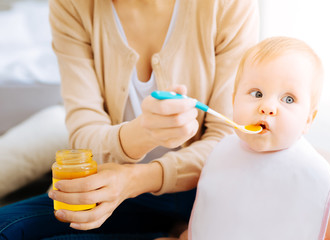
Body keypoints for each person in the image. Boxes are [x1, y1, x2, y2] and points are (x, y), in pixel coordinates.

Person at [0, 0, 259, 239]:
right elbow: (84, 133)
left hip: (199, 194)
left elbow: (227, 138)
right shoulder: (73, 6)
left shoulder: (227, 6)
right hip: (110, 190)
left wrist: (134, 179)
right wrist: (142, 134)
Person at [188, 37, 330, 239]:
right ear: (234, 101)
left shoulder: (314, 174)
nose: (267, 107)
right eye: (257, 93)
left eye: (288, 99)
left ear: (308, 119)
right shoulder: (222, 152)